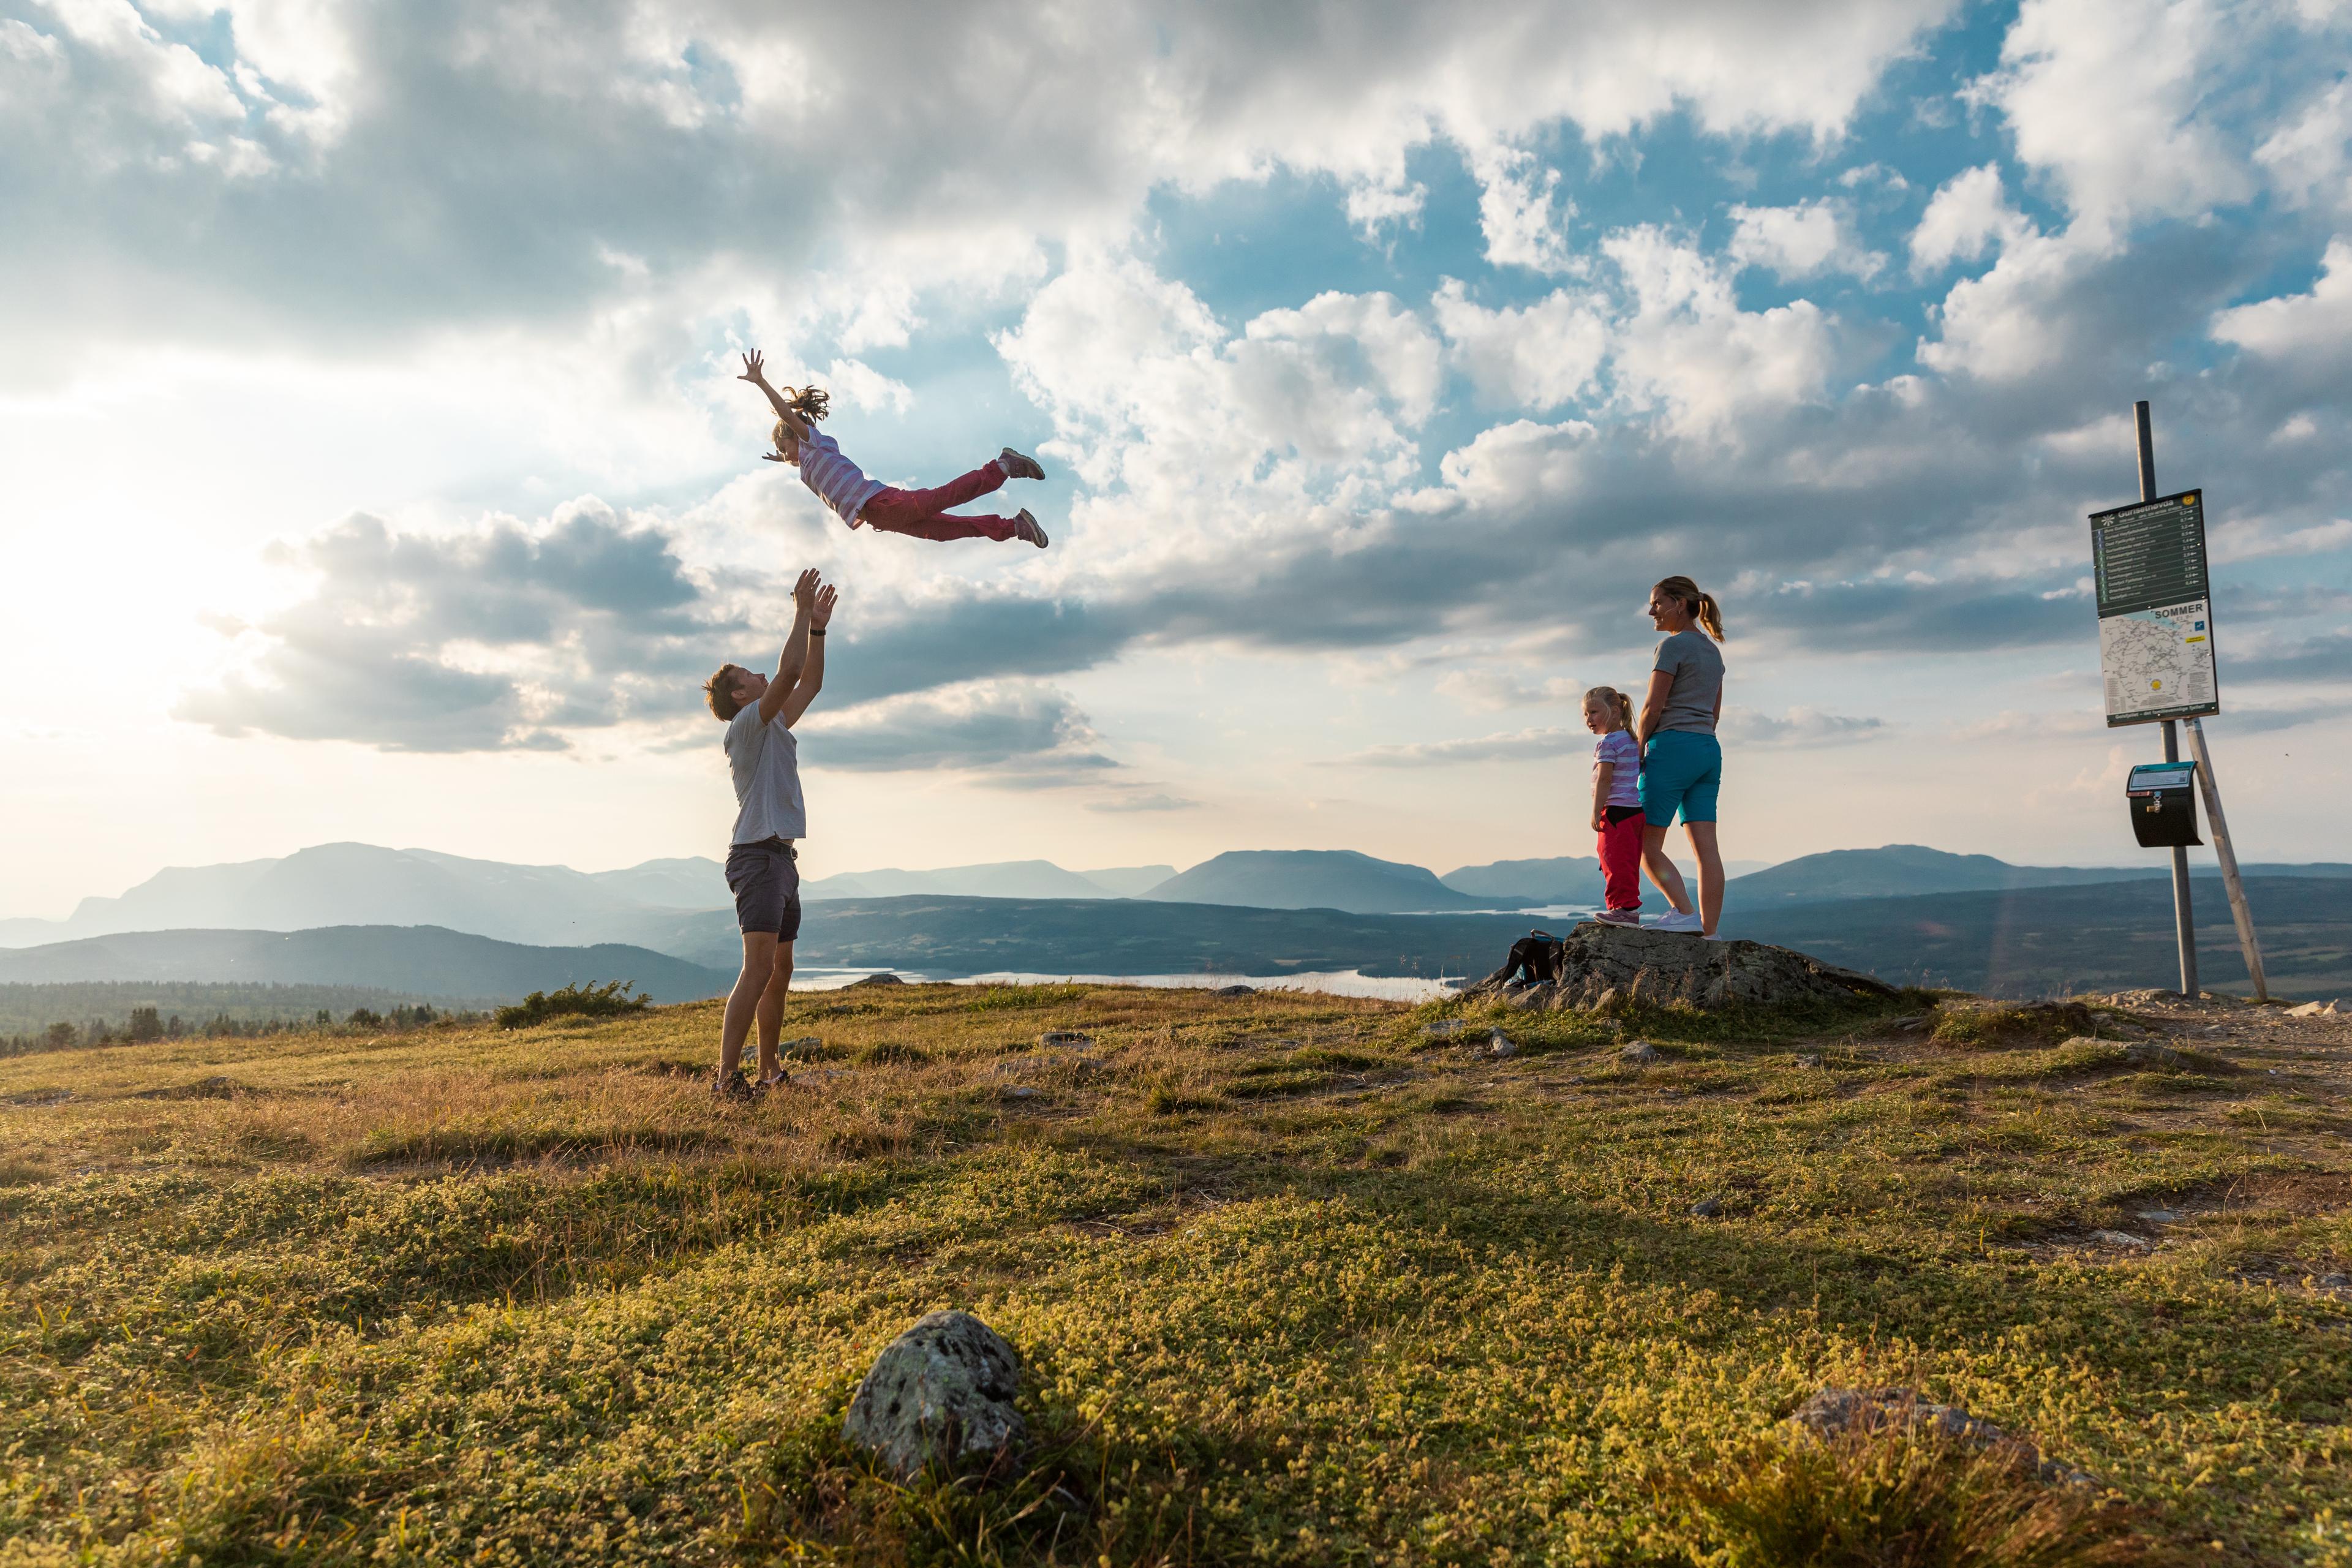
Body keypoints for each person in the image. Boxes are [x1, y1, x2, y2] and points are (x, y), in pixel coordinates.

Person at [701, 567, 839, 1100]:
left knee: (780, 968)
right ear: (739, 695)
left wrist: (819, 629)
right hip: (756, 857)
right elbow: (789, 672)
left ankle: (769, 1072)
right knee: (758, 967)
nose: (762, 674)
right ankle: (725, 1080)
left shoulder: (774, 722)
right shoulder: (747, 726)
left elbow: (811, 683)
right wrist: (801, 611)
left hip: (779, 856)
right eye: (750, 675)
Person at [736, 350, 1050, 548]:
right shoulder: (805, 462)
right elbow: (799, 459)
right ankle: (1014, 527)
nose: (789, 455)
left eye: (785, 446)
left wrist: (762, 383)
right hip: (881, 519)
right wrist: (783, 457)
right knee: (946, 531)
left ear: (794, 435)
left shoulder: (813, 442)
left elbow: (786, 416)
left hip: (883, 504)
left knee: (946, 496)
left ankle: (1004, 466)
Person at [1636, 575, 1727, 937]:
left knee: (1645, 844)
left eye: (1657, 603)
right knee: (1708, 851)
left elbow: (1652, 706)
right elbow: (1715, 711)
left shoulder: (1671, 648)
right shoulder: (1713, 652)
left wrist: (1640, 747)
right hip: (1707, 749)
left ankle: (1684, 913)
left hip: (1672, 748)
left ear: (1680, 604)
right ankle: (1710, 934)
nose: (1651, 611)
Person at [1583, 685, 1643, 927]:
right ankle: (1625, 907)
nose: (1589, 719)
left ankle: (1624, 910)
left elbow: (1605, 779)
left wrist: (1596, 811)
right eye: (1586, 714)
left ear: (1616, 711)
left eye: (1594, 712)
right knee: (1628, 861)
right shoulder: (1632, 740)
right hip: (1635, 812)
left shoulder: (1607, 744)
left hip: (1616, 811)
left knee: (1613, 860)